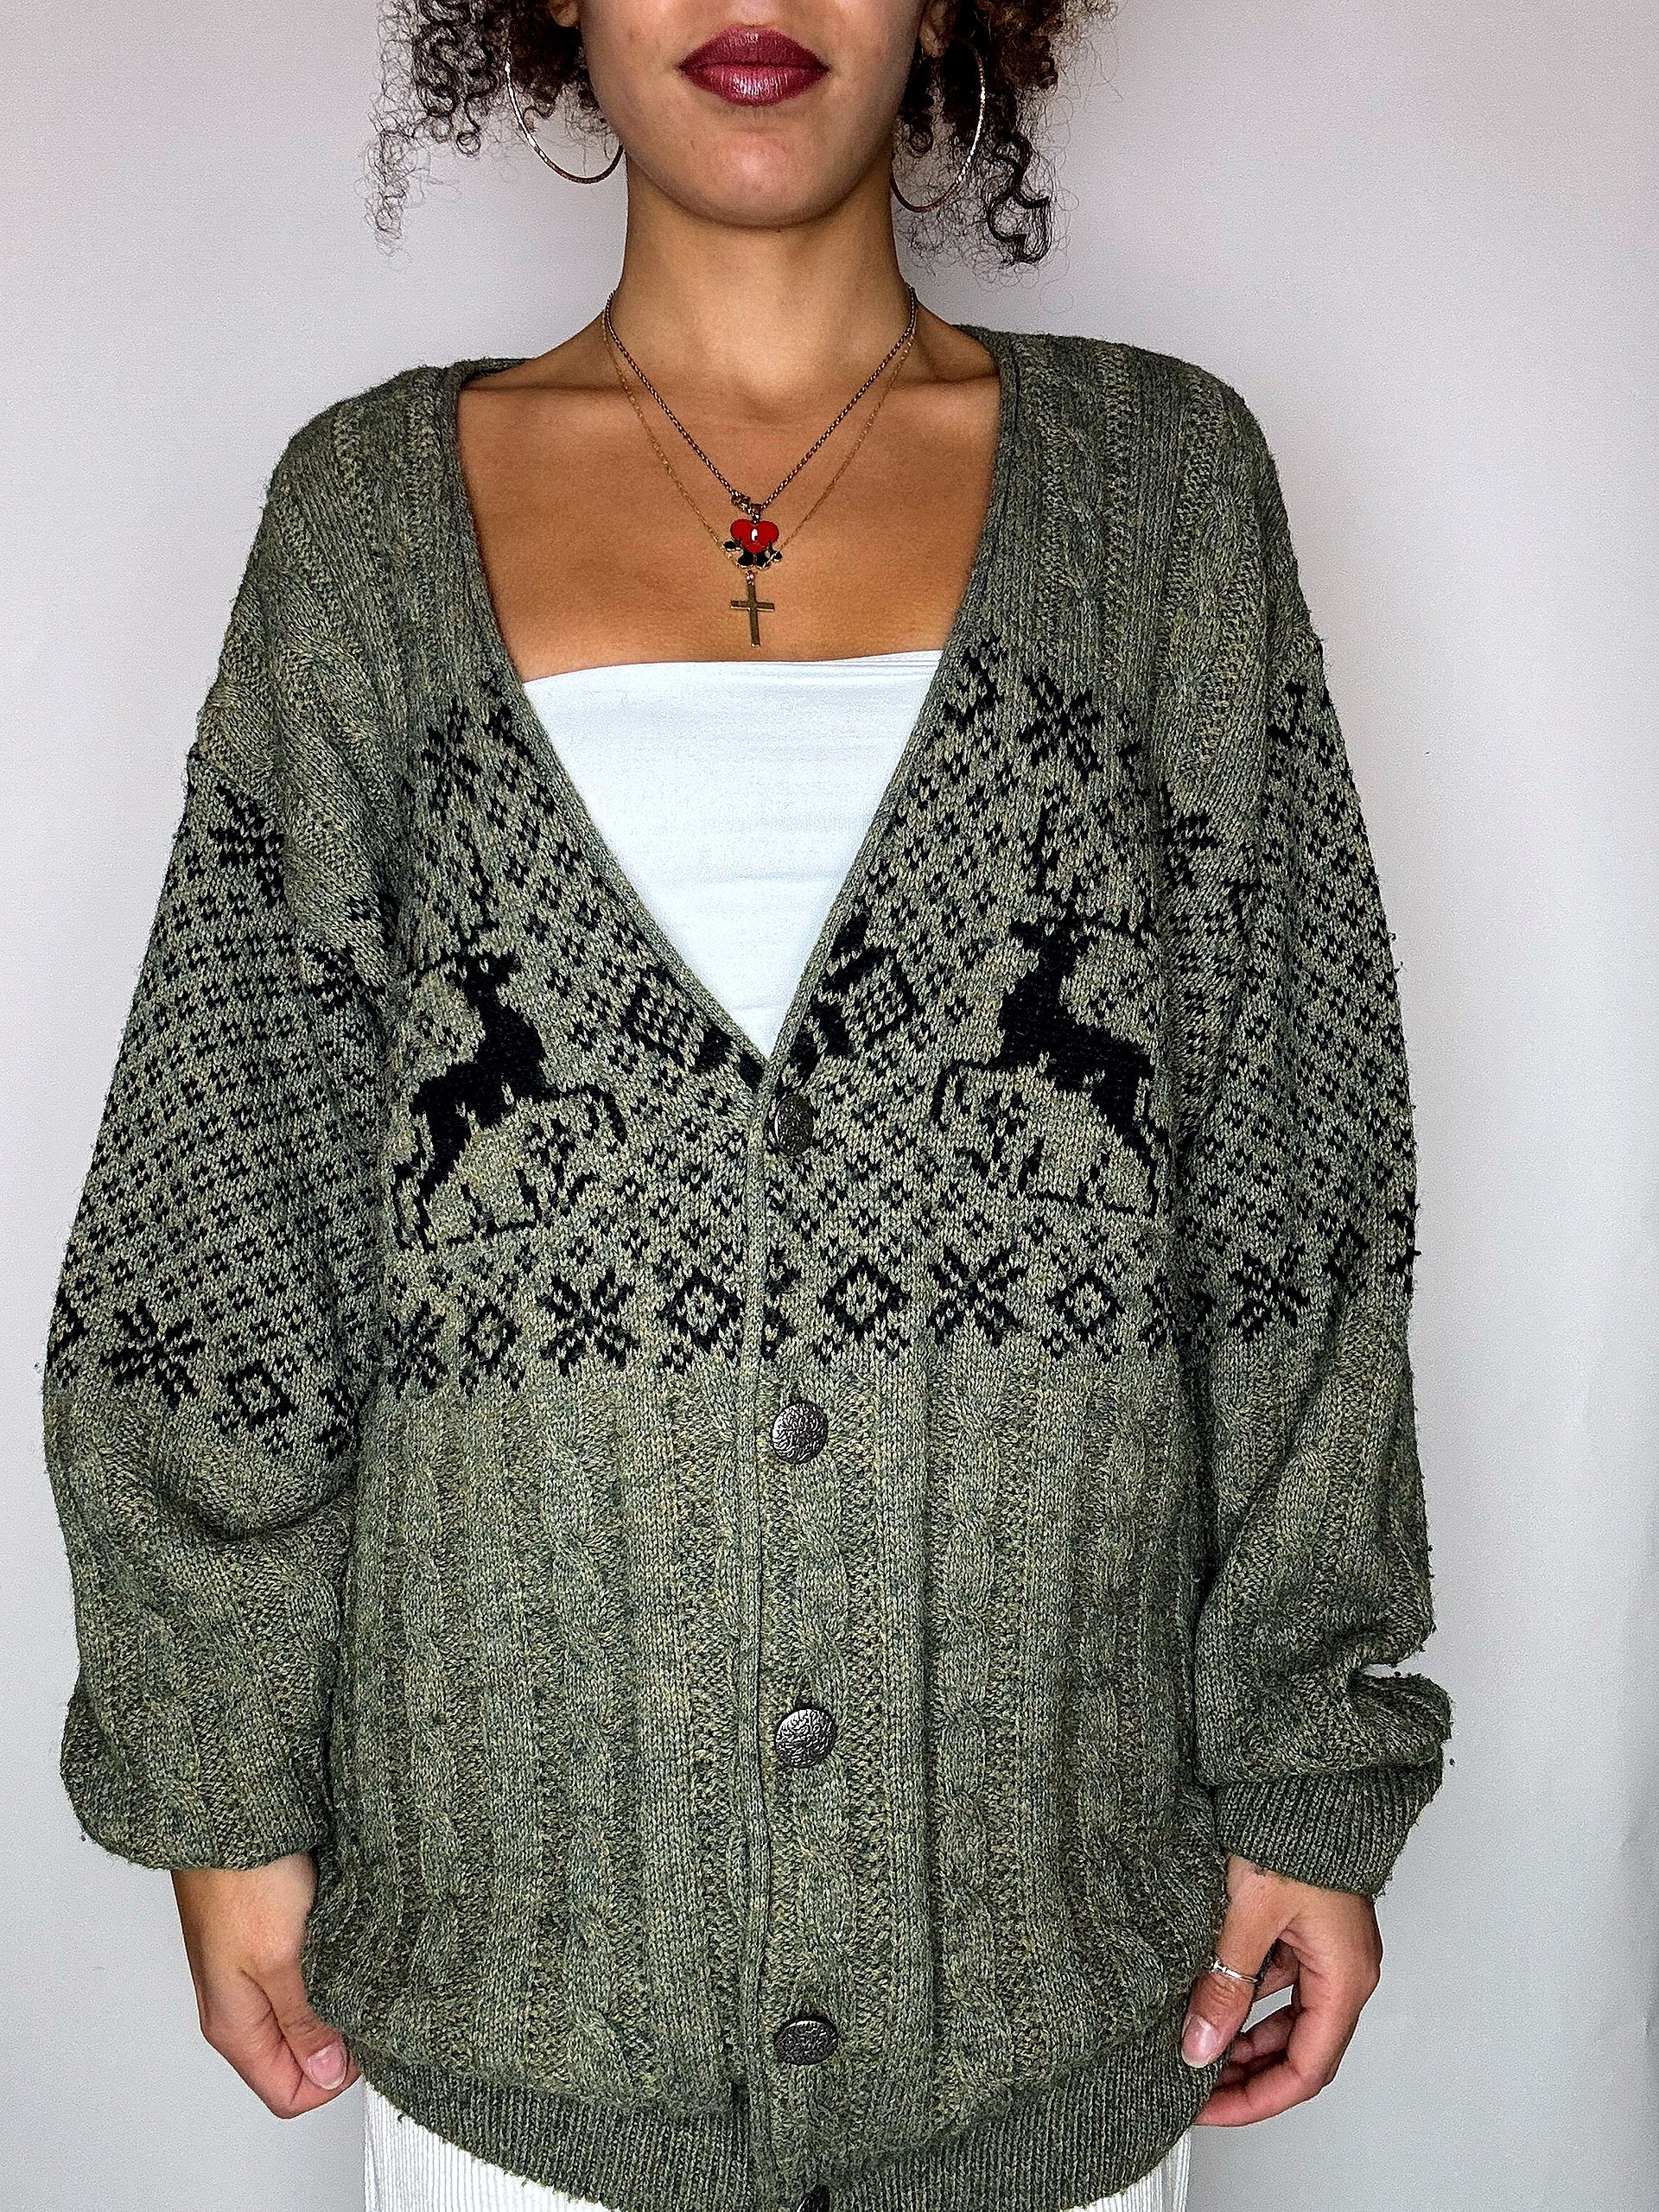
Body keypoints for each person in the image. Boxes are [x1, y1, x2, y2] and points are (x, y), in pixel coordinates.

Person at [41, 4, 1454, 2210]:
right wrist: (216, 1774)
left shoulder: (1165, 495)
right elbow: (226, 1200)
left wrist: (1310, 1752)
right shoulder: (366, 525)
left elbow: (1300, 1180)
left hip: (1056, 1972)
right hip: (518, 1991)